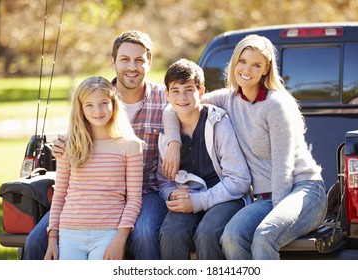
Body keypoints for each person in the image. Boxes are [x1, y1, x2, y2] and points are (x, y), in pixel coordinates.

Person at [163, 34, 327, 260]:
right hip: (265, 197)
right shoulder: (228, 98)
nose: (247, 70)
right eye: (242, 61)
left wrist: (274, 216)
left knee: (264, 235)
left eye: (256, 65)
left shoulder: (276, 104)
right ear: (234, 62)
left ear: (266, 69)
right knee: (231, 236)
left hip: (301, 190)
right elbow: (179, 105)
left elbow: (283, 167)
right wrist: (173, 141)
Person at [24, 30, 180, 260]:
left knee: (145, 234)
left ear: (149, 62)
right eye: (125, 59)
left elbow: (194, 106)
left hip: (147, 189)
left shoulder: (163, 97)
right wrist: (64, 142)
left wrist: (174, 140)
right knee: (36, 240)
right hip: (95, 193)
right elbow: (81, 123)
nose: (132, 67)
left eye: (139, 60)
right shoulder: (100, 95)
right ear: (113, 62)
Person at [157, 58, 251, 260]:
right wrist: (172, 195)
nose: (182, 97)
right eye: (175, 91)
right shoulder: (166, 136)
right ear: (167, 94)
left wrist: (198, 201)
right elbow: (164, 181)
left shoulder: (219, 124)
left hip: (225, 196)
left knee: (207, 233)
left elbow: (240, 180)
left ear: (201, 92)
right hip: (189, 196)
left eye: (189, 89)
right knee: (170, 234)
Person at [43, 76, 144, 260]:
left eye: (103, 103)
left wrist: (120, 239)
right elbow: (60, 195)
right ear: (80, 108)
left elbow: (134, 200)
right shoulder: (68, 144)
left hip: (108, 233)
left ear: (114, 103)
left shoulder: (130, 146)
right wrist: (52, 239)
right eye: (89, 105)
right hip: (70, 232)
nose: (97, 111)